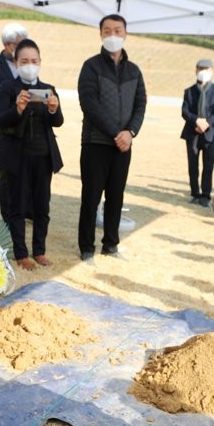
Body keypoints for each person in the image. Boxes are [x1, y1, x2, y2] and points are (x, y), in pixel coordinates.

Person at [76, 13, 146, 262]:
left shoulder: (134, 71)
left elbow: (140, 105)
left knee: (116, 197)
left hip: (123, 146)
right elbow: (89, 103)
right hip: (96, 142)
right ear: (101, 35)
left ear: (125, 34)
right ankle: (86, 248)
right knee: (91, 197)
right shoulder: (91, 66)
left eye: (117, 30)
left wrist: (130, 132)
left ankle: (111, 245)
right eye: (107, 31)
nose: (113, 35)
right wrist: (116, 132)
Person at [0, 39, 63, 271]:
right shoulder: (7, 87)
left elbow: (58, 122)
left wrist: (53, 107)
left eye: (34, 61)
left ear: (40, 62)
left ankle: (39, 251)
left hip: (43, 156)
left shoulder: (48, 88)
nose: (30, 65)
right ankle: (21, 253)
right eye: (24, 61)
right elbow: (1, 120)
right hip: (17, 157)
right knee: (17, 206)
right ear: (16, 62)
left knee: (42, 205)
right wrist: (18, 108)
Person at [0, 21, 27, 217]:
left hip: (30, 129)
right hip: (6, 129)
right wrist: (15, 101)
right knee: (8, 177)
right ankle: (8, 217)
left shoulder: (28, 64)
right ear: (9, 45)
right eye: (20, 43)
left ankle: (27, 211)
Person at [180, 58, 214, 208]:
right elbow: (184, 111)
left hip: (210, 133)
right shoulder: (189, 91)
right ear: (196, 71)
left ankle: (205, 194)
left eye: (206, 69)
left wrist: (207, 123)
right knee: (193, 164)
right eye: (200, 69)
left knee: (208, 164)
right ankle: (194, 193)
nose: (203, 72)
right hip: (192, 132)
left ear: (212, 71)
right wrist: (196, 121)